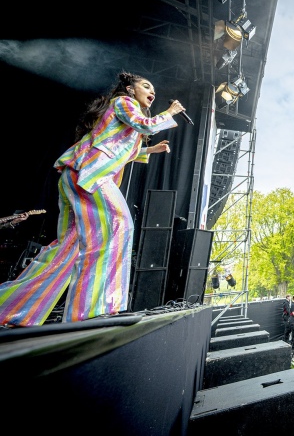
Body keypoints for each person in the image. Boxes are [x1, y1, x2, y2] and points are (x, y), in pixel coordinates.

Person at [0, 72, 184, 327]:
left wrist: (150, 150)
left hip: (77, 174)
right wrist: (170, 112)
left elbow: (117, 149)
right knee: (118, 226)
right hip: (89, 176)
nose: (152, 91)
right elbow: (145, 124)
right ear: (130, 89)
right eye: (146, 85)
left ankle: (10, 310)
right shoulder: (124, 102)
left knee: (69, 248)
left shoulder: (122, 115)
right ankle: (94, 311)